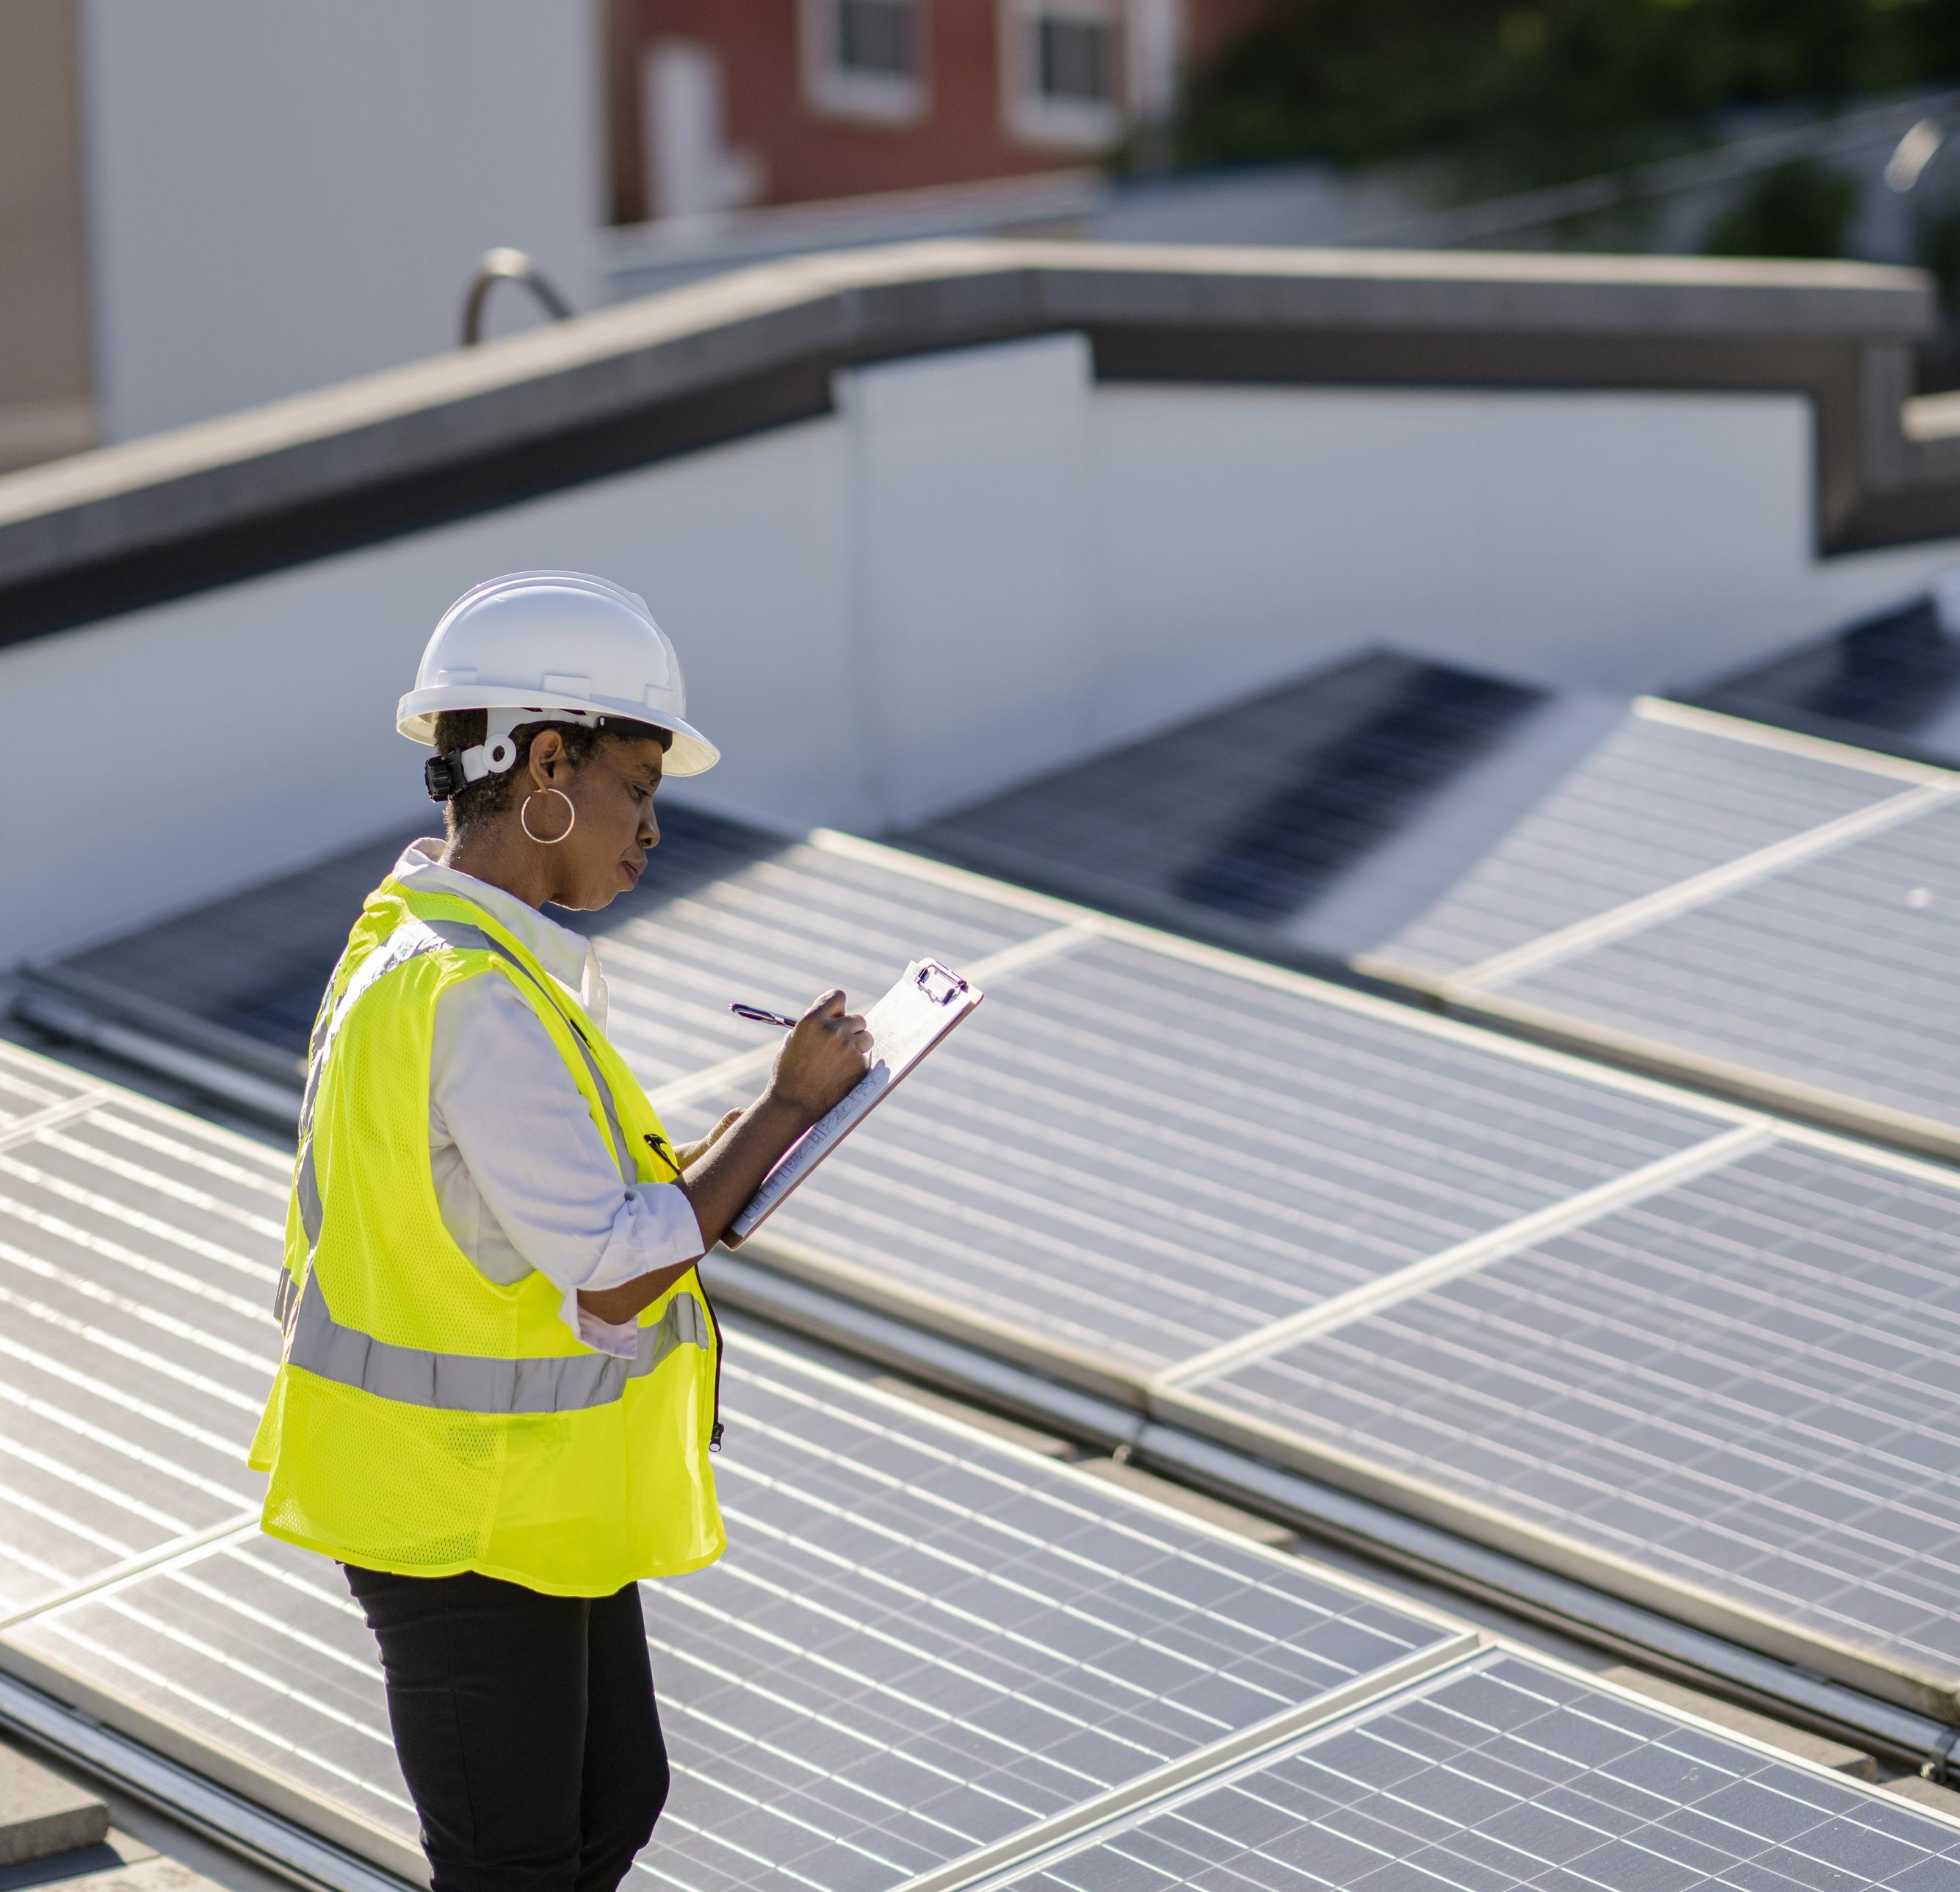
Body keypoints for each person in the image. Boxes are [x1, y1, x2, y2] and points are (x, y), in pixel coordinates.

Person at [247, 571, 871, 1892]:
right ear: (545, 762)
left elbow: (597, 1233)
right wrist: (782, 1108)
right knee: (518, 1865)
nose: (652, 832)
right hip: (454, 1513)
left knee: (606, 1809)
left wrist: (749, 1153)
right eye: (639, 790)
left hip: (513, 1495)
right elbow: (614, 1269)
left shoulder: (435, 950)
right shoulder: (471, 993)